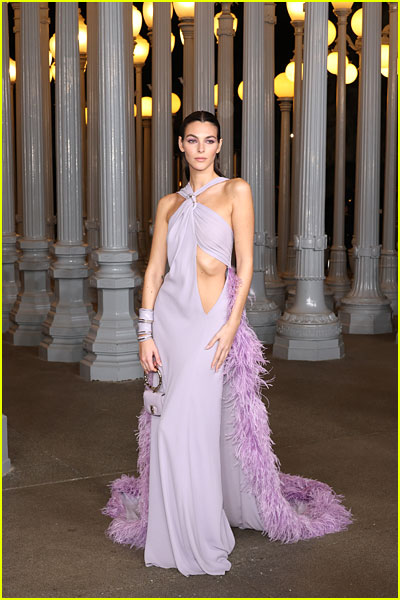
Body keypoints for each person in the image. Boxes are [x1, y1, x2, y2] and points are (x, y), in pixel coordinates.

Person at [102, 110, 353, 577]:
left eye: (209, 140)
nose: (201, 148)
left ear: (219, 146)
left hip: (212, 324)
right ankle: (171, 532)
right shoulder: (168, 204)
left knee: (188, 426)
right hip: (171, 326)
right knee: (168, 425)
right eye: (192, 140)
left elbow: (248, 264)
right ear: (180, 145)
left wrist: (231, 325)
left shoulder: (236, 190)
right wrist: (145, 332)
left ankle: (202, 534)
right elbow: (155, 271)